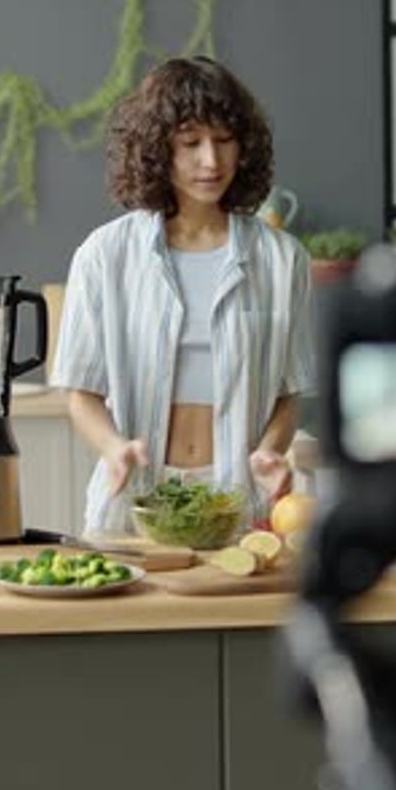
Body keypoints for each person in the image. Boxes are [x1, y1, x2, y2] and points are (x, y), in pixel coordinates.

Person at [50, 55, 315, 533]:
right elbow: (80, 392)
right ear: (158, 150)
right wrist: (114, 449)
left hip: (237, 501)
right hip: (134, 499)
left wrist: (269, 452)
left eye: (224, 141)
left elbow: (289, 391)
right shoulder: (105, 255)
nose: (211, 161)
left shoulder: (282, 259)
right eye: (191, 143)